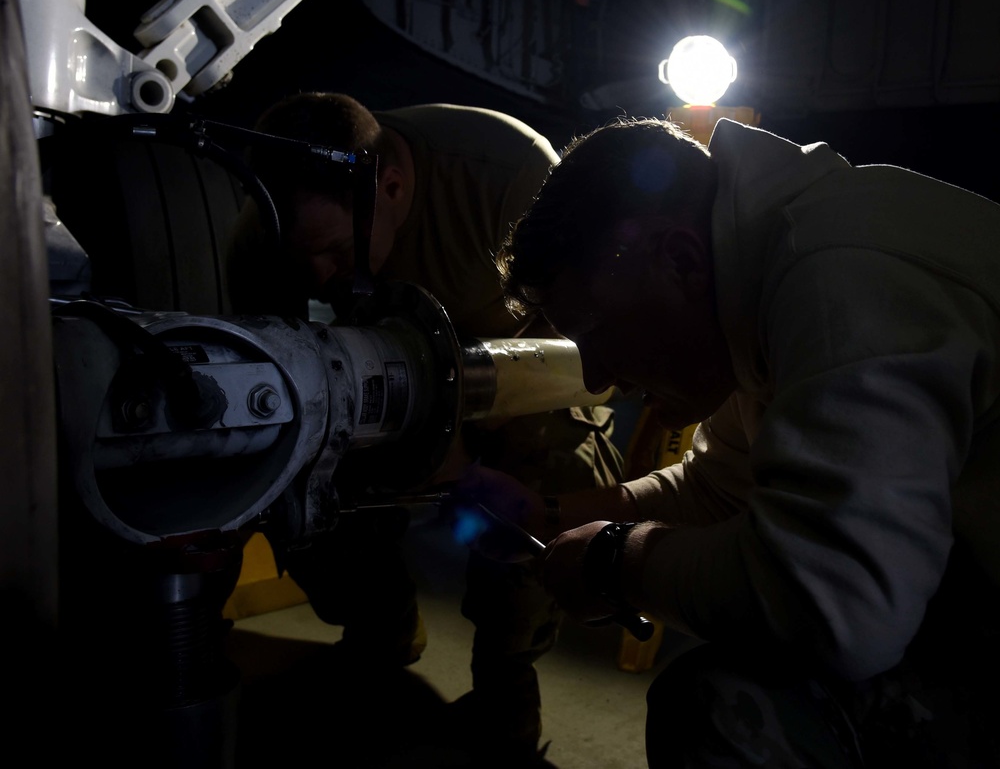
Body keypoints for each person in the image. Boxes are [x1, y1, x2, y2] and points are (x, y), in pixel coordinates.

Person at [459, 114, 1000, 767]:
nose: (600, 378)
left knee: (721, 711)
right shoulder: (762, 271)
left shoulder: (834, 280)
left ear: (681, 260)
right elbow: (719, 485)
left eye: (598, 332)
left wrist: (612, 564)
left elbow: (836, 605)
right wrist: (551, 516)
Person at [226, 92, 623, 764]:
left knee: (554, 470)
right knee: (289, 464)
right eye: (304, 261)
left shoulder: (509, 179)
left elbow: (585, 356)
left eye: (331, 250)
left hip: (515, 388)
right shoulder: (264, 240)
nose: (319, 274)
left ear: (393, 185)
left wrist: (464, 438)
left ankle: (505, 683)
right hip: (374, 397)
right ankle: (378, 627)